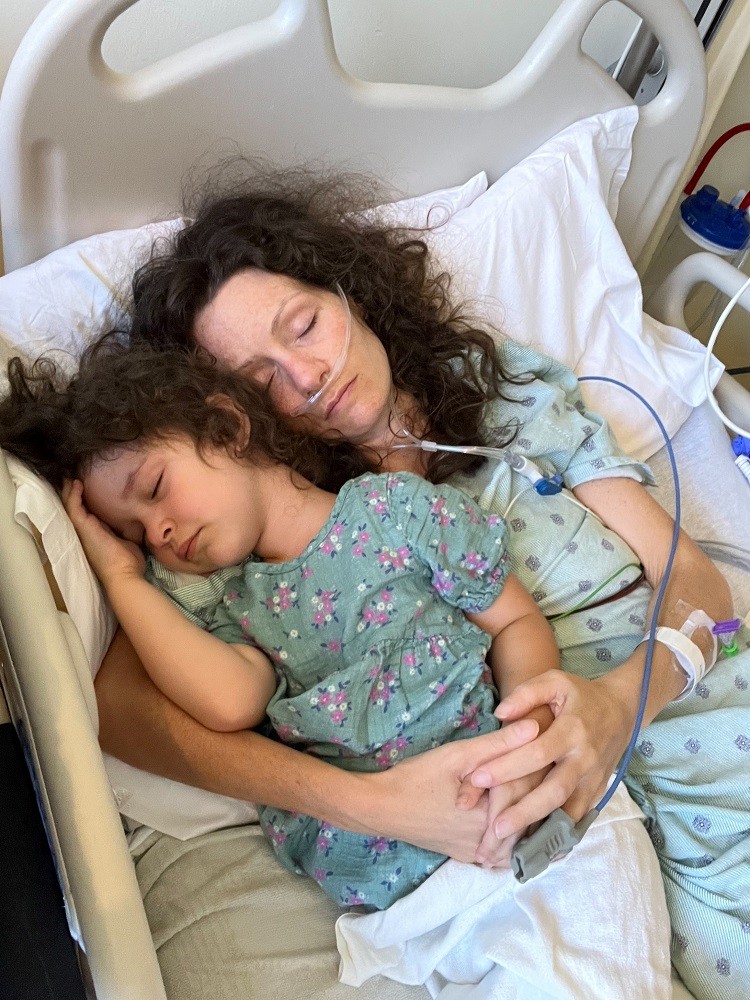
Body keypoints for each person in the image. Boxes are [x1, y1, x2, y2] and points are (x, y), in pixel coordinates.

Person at [101, 170, 747, 1000]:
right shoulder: (266, 543)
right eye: (262, 381)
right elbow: (117, 703)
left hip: (688, 723)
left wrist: (622, 704)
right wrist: (367, 805)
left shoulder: (509, 404)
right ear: (233, 419)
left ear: (349, 290)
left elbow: (700, 587)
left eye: (304, 325)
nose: (305, 377)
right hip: (543, 830)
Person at [3, 339, 561, 909]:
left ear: (225, 426)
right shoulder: (231, 612)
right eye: (136, 534)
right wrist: (123, 580)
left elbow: (516, 621)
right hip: (402, 895)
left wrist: (527, 758)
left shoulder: (397, 511)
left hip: (515, 808)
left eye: (153, 489)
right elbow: (229, 703)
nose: (157, 533)